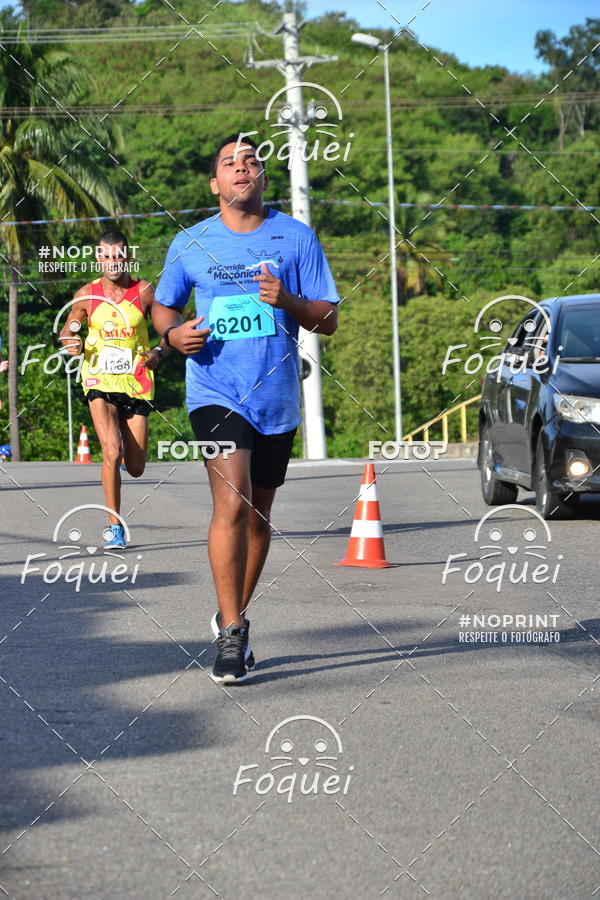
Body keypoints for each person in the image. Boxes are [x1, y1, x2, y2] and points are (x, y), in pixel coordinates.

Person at [153, 134, 340, 684]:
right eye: (230, 163)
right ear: (215, 183)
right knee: (231, 502)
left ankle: (232, 614)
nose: (242, 167)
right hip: (214, 391)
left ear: (263, 177)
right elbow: (163, 306)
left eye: (252, 161)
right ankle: (232, 632)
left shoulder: (296, 237)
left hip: (276, 397)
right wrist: (173, 335)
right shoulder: (190, 242)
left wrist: (289, 301)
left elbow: (328, 318)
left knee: (258, 517)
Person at [59, 231, 169, 549]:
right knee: (111, 452)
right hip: (99, 380)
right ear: (98, 258)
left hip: (136, 383)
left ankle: (121, 446)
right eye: (106, 256)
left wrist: (159, 353)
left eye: (118, 256)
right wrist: (71, 338)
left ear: (127, 257)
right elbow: (71, 325)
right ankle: (114, 527)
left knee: (135, 468)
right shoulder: (87, 294)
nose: (112, 262)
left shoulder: (144, 292)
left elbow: (167, 331)